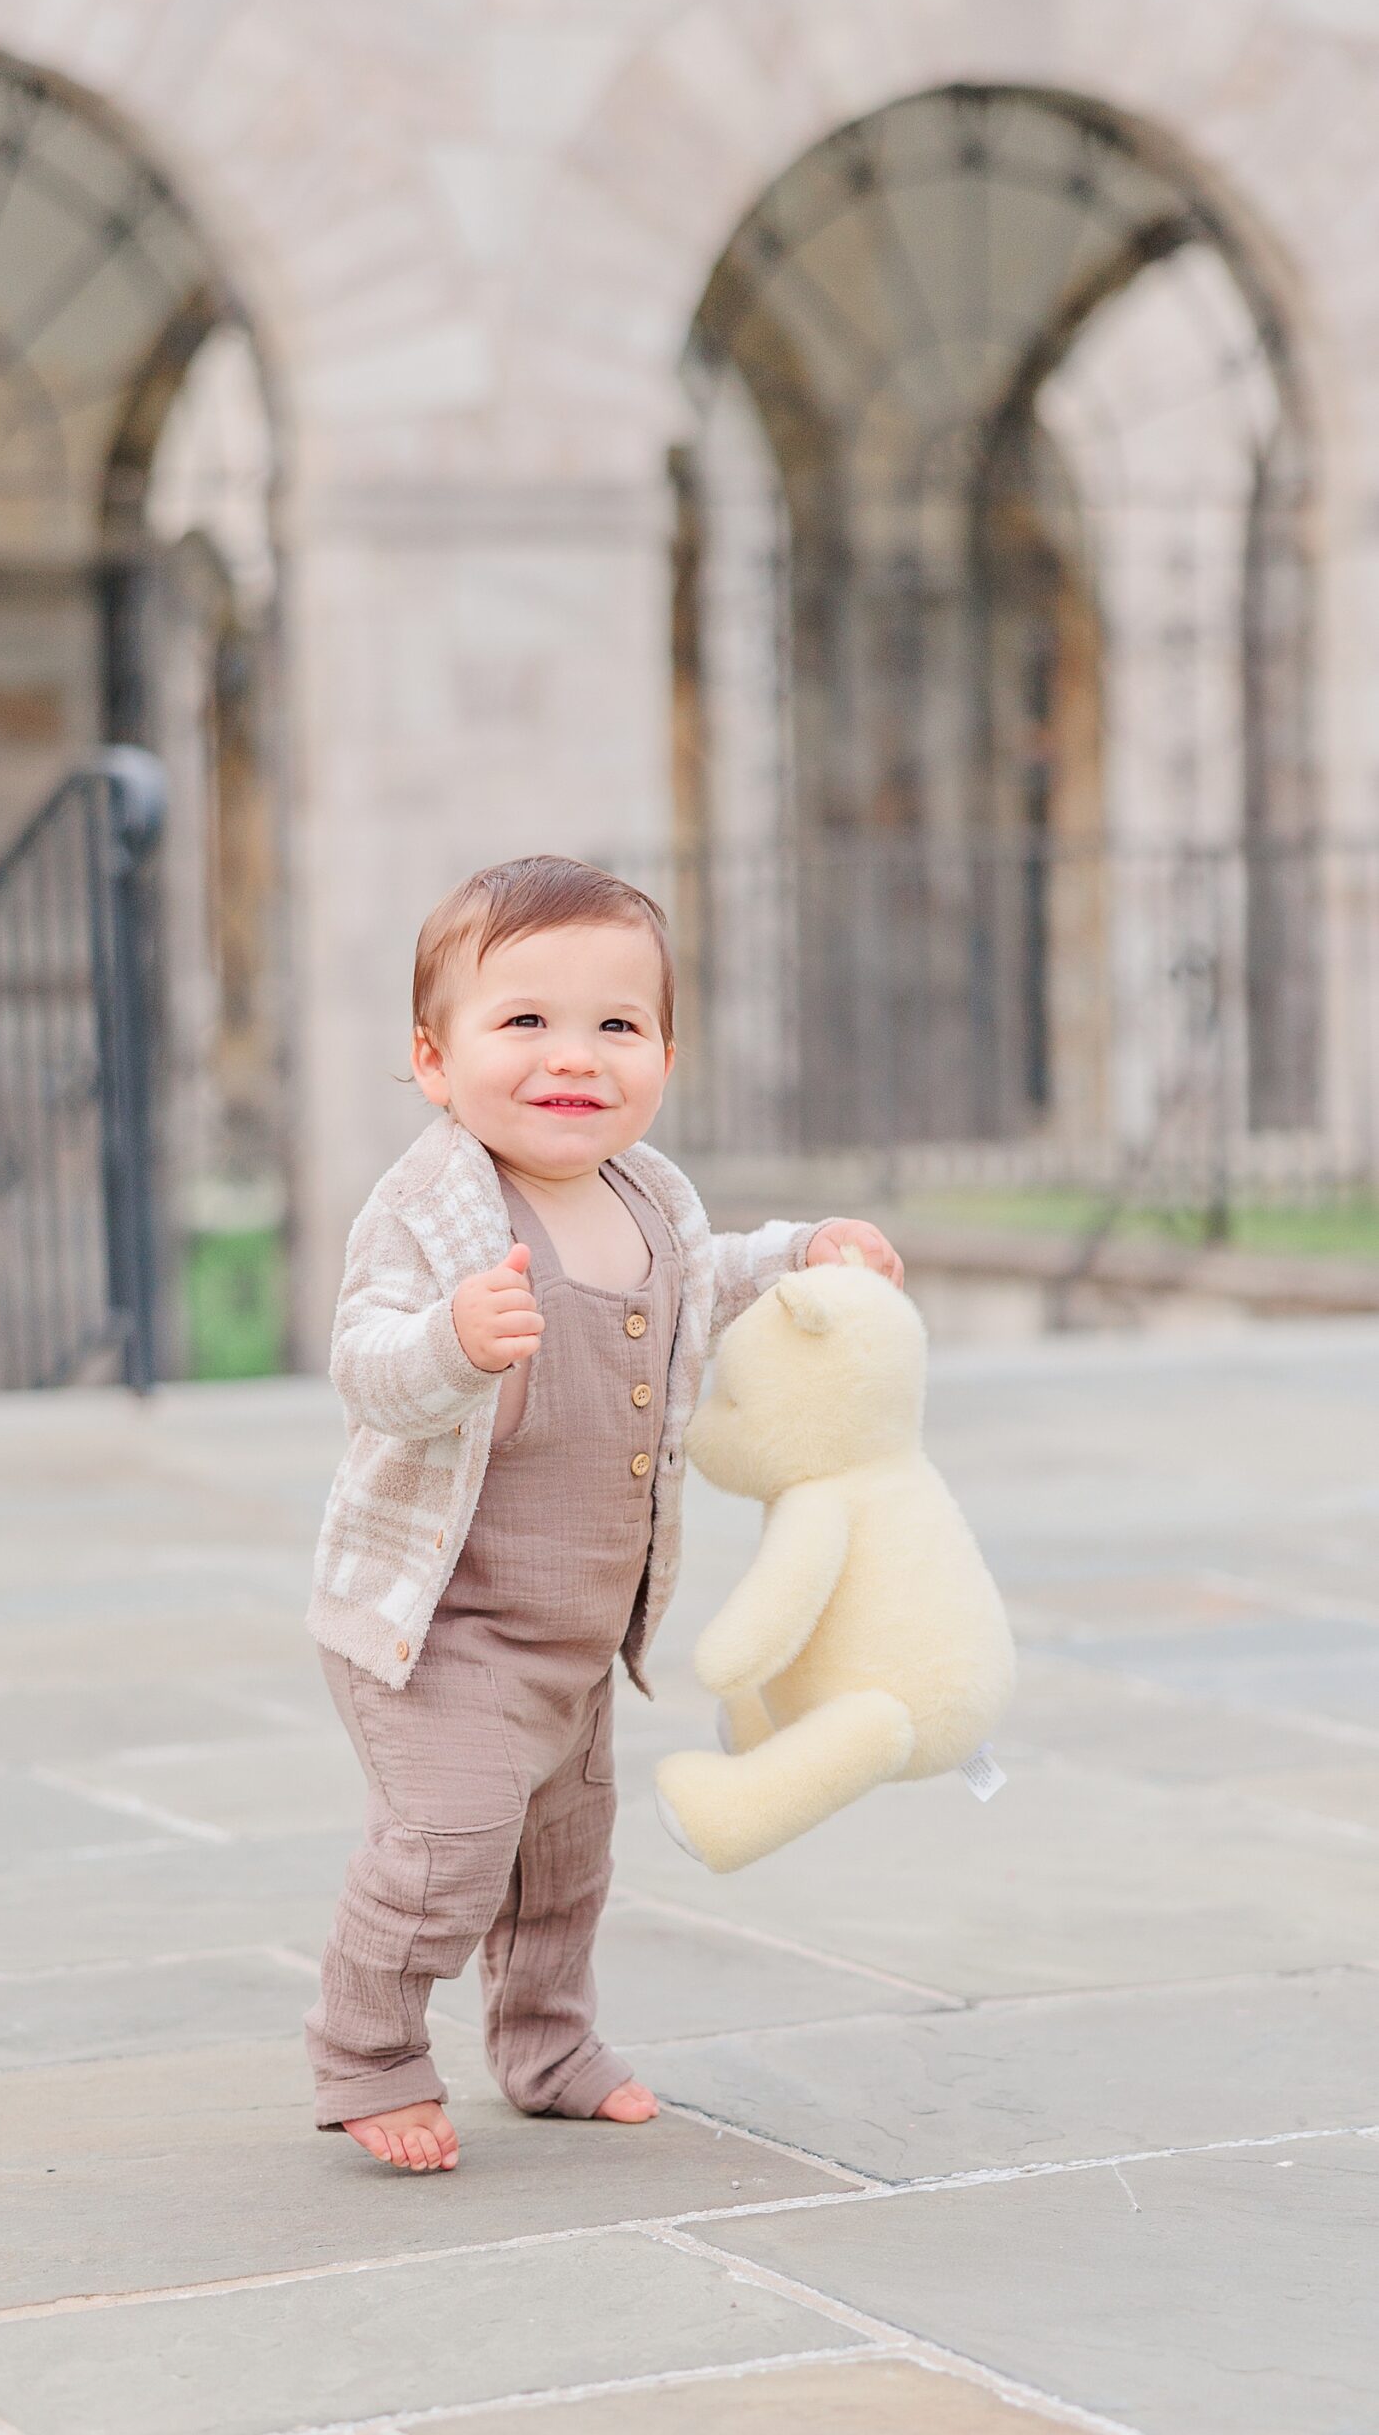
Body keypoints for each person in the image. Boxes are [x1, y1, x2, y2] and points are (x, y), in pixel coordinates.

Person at [304, 855, 903, 2172]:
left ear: (665, 1058)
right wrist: (455, 1342)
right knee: (449, 1845)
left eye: (616, 1027)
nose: (574, 1056)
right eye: (524, 1022)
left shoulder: (653, 1198)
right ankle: (368, 2051)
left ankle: (548, 2043)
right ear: (434, 1058)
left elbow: (710, 1280)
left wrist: (803, 1254)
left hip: (579, 1634)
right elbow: (365, 1366)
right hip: (441, 1626)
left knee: (564, 1870)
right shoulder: (429, 1213)